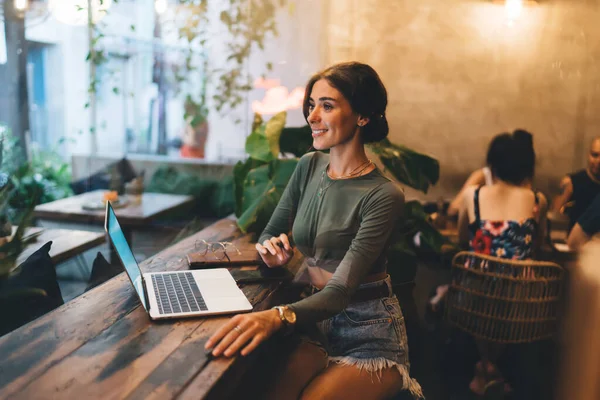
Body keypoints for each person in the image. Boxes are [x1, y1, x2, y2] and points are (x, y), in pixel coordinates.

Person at [205, 62, 423, 399]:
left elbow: (339, 293)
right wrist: (271, 250)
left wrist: (275, 316)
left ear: (363, 115)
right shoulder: (309, 166)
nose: (312, 116)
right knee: (266, 388)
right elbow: (269, 233)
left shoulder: (383, 195)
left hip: (369, 333)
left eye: (327, 105)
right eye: (311, 105)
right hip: (314, 323)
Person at [456, 129, 547, 395]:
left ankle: (485, 368)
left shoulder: (473, 195)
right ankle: (491, 369)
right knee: (509, 292)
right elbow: (537, 245)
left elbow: (463, 240)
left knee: (473, 284)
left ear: (491, 165)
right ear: (527, 168)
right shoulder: (537, 200)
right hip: (519, 305)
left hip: (476, 299)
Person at [552, 137, 600, 230]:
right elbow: (555, 215)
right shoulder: (573, 182)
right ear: (588, 155)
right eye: (595, 155)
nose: (598, 161)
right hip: (574, 241)